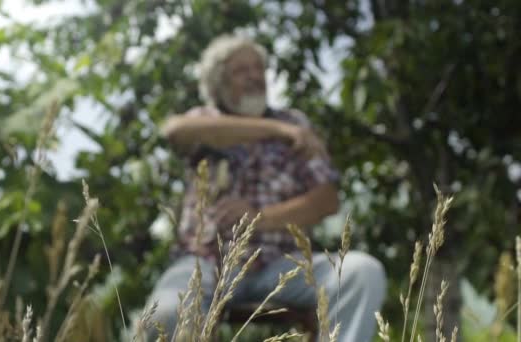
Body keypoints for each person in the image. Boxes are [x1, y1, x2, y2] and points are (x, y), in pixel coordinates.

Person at [145, 34, 386, 342]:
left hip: (282, 264)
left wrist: (259, 217)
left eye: (259, 68)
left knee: (362, 272)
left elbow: (327, 199)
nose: (255, 76)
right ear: (217, 83)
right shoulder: (207, 120)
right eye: (241, 70)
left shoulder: (296, 122)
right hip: (204, 263)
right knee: (165, 314)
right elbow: (175, 132)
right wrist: (278, 130)